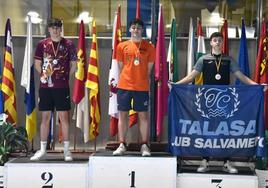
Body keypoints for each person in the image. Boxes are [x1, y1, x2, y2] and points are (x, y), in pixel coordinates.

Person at [173, 32, 258, 173]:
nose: (217, 42)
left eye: (220, 40)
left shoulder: (228, 60)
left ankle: (226, 162)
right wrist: (176, 84)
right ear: (210, 43)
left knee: (224, 131)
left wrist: (257, 86)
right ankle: (205, 161)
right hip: (207, 102)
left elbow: (241, 77)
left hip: (225, 102)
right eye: (215, 40)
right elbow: (192, 76)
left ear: (222, 42)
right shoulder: (203, 59)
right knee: (207, 130)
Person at [30, 18, 77, 161]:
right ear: (48, 29)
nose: (55, 30)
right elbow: (37, 63)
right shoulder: (42, 45)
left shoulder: (69, 44)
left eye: (58, 27)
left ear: (60, 29)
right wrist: (45, 75)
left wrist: (62, 78)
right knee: (45, 117)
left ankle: (66, 151)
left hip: (62, 87)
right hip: (45, 87)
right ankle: (43, 149)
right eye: (52, 27)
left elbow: (73, 65)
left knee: (64, 118)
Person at [112, 18, 156, 157]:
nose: (136, 30)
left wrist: (139, 77)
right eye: (133, 27)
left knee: (143, 115)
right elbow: (120, 67)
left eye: (138, 28)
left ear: (142, 30)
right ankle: (122, 144)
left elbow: (149, 69)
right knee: (123, 115)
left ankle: (144, 145)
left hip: (141, 86)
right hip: (124, 85)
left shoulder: (149, 47)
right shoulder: (121, 46)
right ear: (130, 29)